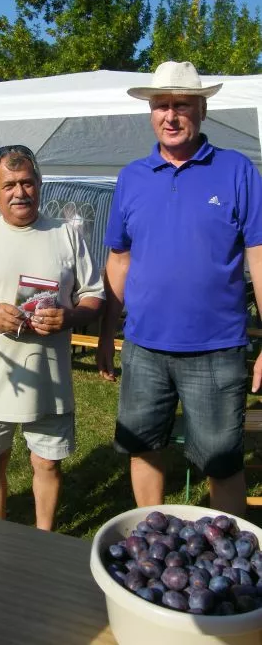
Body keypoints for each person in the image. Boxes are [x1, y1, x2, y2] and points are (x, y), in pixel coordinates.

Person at [97, 60, 262, 518]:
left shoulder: (236, 170)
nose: (171, 116)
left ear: (202, 110)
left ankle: (225, 550)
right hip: (144, 348)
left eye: (182, 105)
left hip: (216, 349)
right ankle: (150, 534)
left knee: (221, 462)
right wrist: (108, 333)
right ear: (151, 112)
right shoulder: (131, 177)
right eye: (161, 105)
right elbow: (119, 260)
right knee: (143, 448)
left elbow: (259, 255)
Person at [0, 145, 104, 530]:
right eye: (9, 185)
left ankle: (43, 537)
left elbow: (94, 295)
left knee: (47, 463)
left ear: (39, 184)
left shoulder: (66, 236)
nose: (19, 192)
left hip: (48, 378)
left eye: (27, 183)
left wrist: (70, 316)